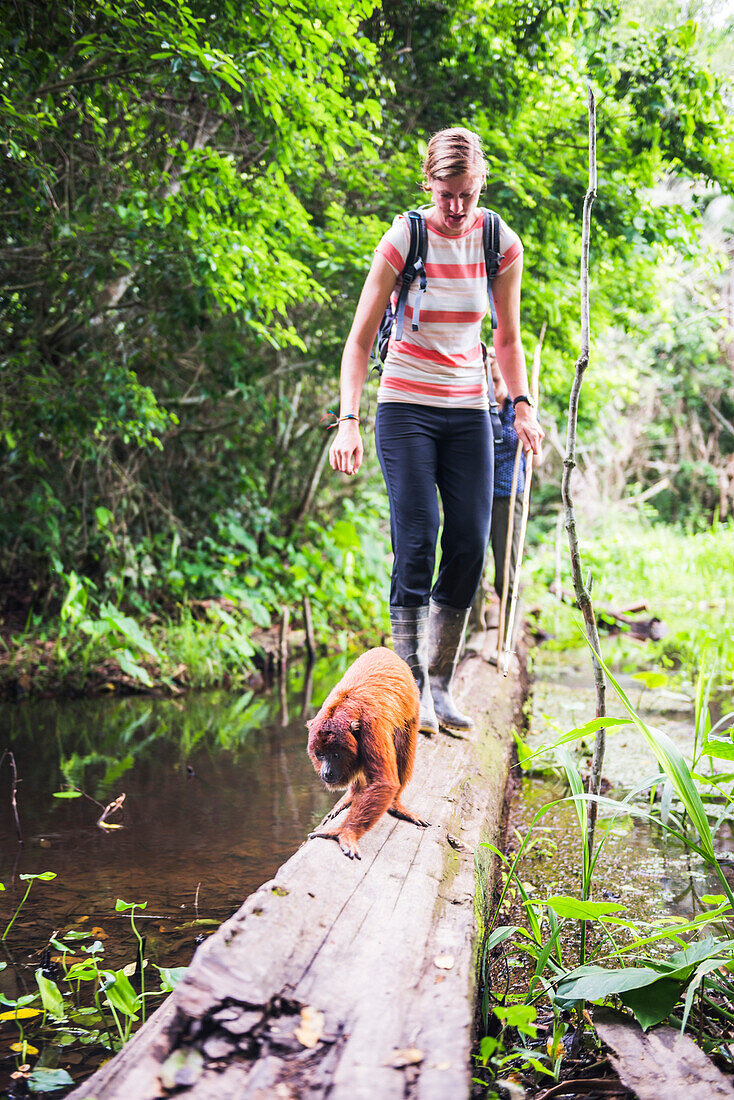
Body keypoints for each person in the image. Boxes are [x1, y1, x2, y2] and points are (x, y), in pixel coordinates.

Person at [329, 127, 543, 735]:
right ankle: (410, 687)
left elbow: (505, 338)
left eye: (467, 196)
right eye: (446, 194)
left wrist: (521, 404)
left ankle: (442, 684)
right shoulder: (406, 238)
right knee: (418, 538)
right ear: (429, 184)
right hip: (405, 408)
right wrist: (348, 421)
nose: (455, 208)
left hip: (469, 410)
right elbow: (359, 340)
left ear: (480, 187)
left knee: (471, 544)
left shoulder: (499, 241)